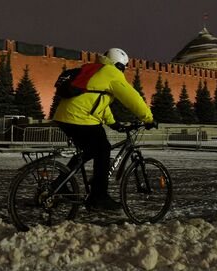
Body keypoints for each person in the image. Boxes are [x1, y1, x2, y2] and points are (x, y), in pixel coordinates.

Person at [53, 47, 156, 211]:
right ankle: (98, 197)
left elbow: (98, 100)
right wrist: (148, 118)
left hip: (64, 117)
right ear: (120, 65)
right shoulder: (111, 72)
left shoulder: (94, 69)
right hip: (80, 117)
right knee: (103, 149)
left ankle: (59, 184)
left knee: (89, 151)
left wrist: (112, 123)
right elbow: (131, 97)